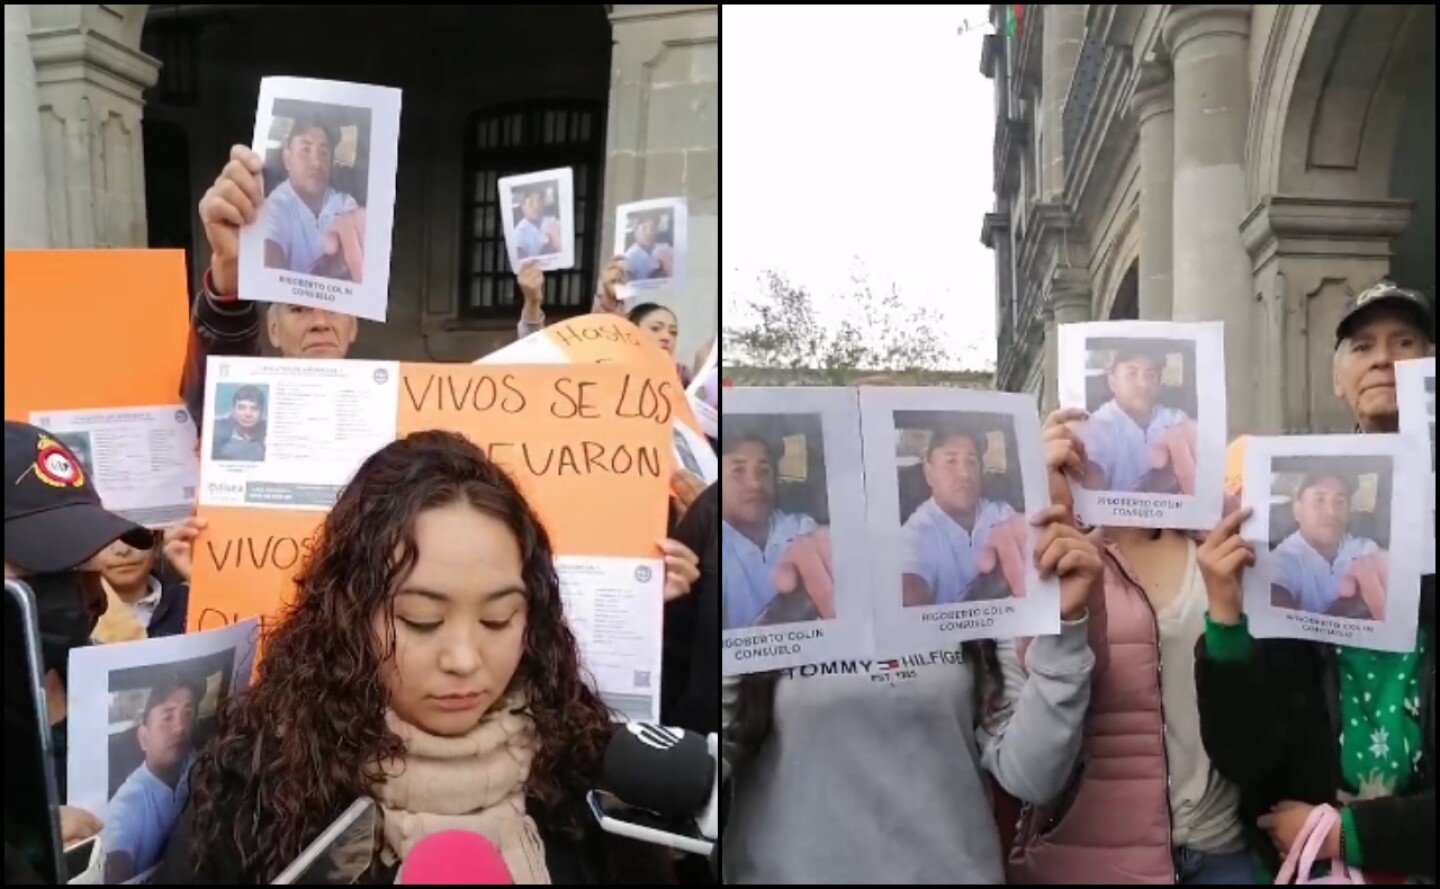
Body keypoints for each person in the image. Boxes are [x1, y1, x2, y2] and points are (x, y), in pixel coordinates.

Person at [157, 432, 674, 883]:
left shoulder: (589, 777)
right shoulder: (256, 791)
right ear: (350, 613)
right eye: (422, 620)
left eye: (498, 619)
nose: (465, 659)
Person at [721, 498, 1102, 883]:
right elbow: (709, 759)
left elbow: (1031, 776)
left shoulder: (960, 593)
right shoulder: (771, 586)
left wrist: (1064, 630)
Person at [1196, 280, 1435, 882]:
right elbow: (1245, 753)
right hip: (1311, 857)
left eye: (1404, 341)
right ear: (1338, 380)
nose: (1383, 357)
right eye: (1362, 346)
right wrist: (1225, 618)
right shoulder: (1279, 528)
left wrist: (1358, 833)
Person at [1004, 409, 1253, 884]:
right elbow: (1034, 701)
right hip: (1097, 858)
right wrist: (1041, 496)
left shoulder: (1214, 542)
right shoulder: (1059, 553)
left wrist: (1203, 489)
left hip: (1221, 848)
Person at [3, 421, 156, 847]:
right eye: (46, 566)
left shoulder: (98, 678)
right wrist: (26, 845)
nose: (82, 593)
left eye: (87, 563)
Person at [183, 145, 360, 426]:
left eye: (334, 307)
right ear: (274, 329)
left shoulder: (392, 426)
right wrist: (230, 277)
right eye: (299, 309)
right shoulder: (247, 413)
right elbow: (207, 409)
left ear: (353, 326)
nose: (320, 323)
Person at [901, 425, 1028, 606]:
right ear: (929, 474)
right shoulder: (915, 533)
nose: (964, 474)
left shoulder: (1001, 513)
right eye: (951, 462)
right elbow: (909, 594)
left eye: (971, 462)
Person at [720, 429, 822, 630]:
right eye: (738, 471)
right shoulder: (711, 543)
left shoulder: (801, 528)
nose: (755, 484)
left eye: (764, 470)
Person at [103, 675, 202, 883]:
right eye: (168, 717)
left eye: (188, 714)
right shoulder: (126, 805)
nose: (180, 728)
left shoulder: (196, 764)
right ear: (143, 737)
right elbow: (115, 858)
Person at [260, 113, 366, 281]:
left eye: (324, 153)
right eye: (305, 150)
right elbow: (268, 266)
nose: (316, 162)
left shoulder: (344, 203)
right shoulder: (275, 206)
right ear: (287, 159)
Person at [1081, 344, 1197, 494]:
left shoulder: (1176, 419)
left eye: (1150, 375)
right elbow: (1092, 483)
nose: (1143, 384)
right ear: (1113, 382)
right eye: (1131, 374)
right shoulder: (1098, 424)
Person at [1271, 471, 1386, 619]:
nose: (1331, 512)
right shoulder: (1281, 560)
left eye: (1340, 502)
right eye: (1319, 500)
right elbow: (1279, 622)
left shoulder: (1365, 548)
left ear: (1349, 513)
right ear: (1297, 511)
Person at [91, 533, 189, 641]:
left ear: (157, 545)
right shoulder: (75, 613)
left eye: (135, 535)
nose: (122, 550)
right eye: (107, 537)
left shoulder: (189, 601)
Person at [210, 385, 267, 463]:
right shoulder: (214, 429)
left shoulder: (269, 433)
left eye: (254, 409)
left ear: (261, 412)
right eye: (242, 408)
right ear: (233, 409)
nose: (248, 414)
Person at [512, 183, 561, 261]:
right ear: (522, 206)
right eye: (531, 202)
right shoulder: (518, 234)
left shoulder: (552, 220)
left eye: (538, 201)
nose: (536, 206)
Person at [623, 213, 674, 282]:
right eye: (644, 228)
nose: (649, 232)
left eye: (653, 228)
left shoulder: (666, 248)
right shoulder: (629, 258)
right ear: (636, 230)